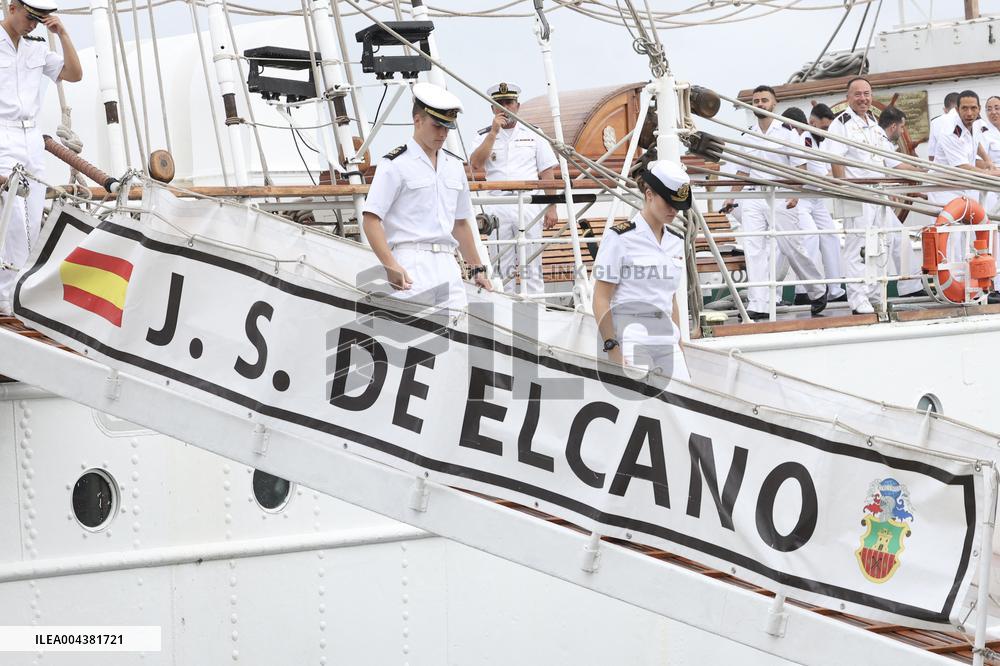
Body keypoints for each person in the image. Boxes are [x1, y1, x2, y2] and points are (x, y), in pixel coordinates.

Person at [362, 82, 491, 311]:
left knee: (456, 335)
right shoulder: (395, 165)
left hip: (448, 264)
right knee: (412, 337)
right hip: (410, 262)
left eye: (447, 127)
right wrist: (390, 265)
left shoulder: (453, 166)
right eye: (437, 126)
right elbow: (371, 220)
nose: (442, 133)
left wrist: (476, 268)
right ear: (418, 120)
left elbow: (460, 223)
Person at [0, 0, 82, 313]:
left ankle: (18, 295)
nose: (33, 24)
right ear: (12, 8)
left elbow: (74, 74)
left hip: (32, 137)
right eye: (29, 16)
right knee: (13, 220)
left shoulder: (36, 47)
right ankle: (7, 299)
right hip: (3, 134)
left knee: (33, 218)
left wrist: (62, 33)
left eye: (39, 19)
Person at [722, 85, 827, 321]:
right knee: (754, 248)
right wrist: (731, 196)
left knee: (792, 246)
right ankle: (759, 303)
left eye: (764, 100)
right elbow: (742, 169)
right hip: (754, 197)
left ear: (774, 103)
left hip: (780, 196)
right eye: (756, 101)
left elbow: (800, 167)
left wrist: (796, 194)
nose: (759, 104)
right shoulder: (748, 134)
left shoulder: (787, 132)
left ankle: (817, 290)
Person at [592, 160, 690, 380]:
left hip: (667, 341)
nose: (674, 210)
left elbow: (670, 298)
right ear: (649, 195)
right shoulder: (620, 238)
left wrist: (680, 343)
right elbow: (600, 297)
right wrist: (612, 348)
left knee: (683, 405)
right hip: (632, 339)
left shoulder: (676, 241)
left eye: (678, 204)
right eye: (669, 202)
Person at [469, 82, 559, 295]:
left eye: (509, 102)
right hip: (498, 204)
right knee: (501, 264)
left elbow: (547, 172)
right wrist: (493, 133)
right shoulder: (483, 136)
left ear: (517, 106)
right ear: (492, 109)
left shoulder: (535, 134)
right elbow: (475, 164)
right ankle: (504, 308)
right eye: (499, 104)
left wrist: (551, 207)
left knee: (532, 263)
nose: (504, 108)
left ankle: (537, 306)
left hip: (528, 203)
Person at [826, 77, 904, 314]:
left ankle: (873, 293)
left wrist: (924, 174)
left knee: (882, 243)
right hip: (857, 195)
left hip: (878, 196)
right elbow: (836, 160)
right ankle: (858, 298)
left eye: (867, 94)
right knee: (857, 247)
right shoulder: (841, 124)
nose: (863, 98)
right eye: (858, 94)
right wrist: (843, 191)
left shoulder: (874, 125)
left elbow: (892, 162)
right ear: (848, 97)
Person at [781, 105, 847, 305]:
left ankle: (835, 288)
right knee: (809, 237)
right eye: (823, 128)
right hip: (799, 197)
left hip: (816, 198)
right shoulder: (801, 138)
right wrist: (837, 180)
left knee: (831, 236)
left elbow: (824, 167)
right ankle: (804, 291)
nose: (825, 132)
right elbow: (816, 171)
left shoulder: (817, 140)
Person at [875, 105, 924, 297]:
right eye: (902, 127)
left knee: (897, 238)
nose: (903, 132)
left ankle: (909, 286)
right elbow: (895, 165)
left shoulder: (880, 138)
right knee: (887, 240)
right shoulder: (879, 138)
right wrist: (924, 172)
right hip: (870, 199)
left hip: (878, 198)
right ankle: (906, 287)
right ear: (894, 126)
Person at [926, 91, 960, 162]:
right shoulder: (970, 120)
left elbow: (932, 154)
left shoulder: (935, 122)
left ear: (944, 110)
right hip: (965, 168)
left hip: (943, 169)